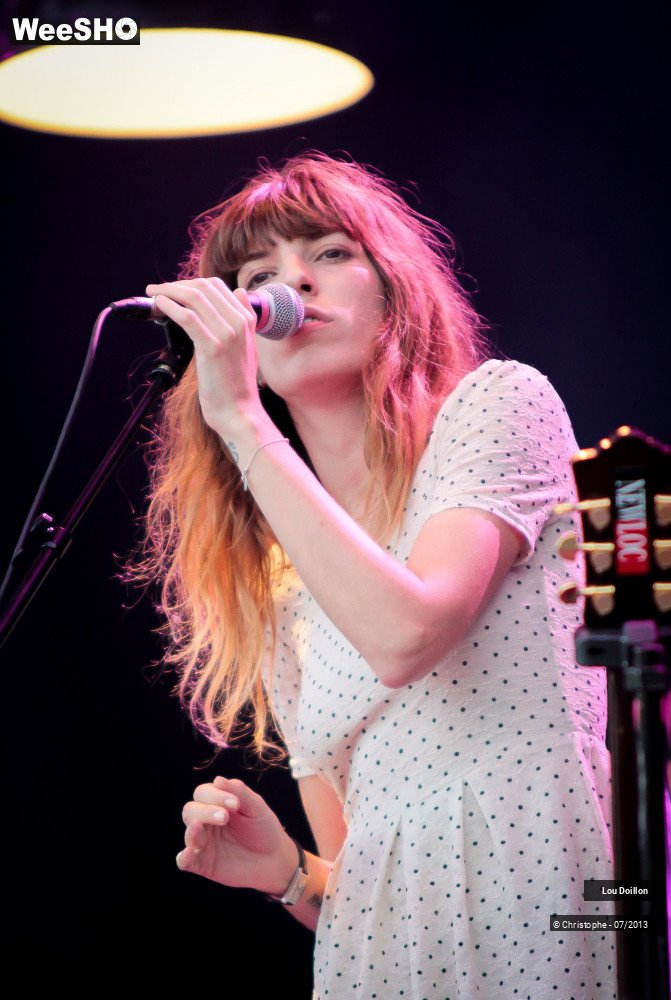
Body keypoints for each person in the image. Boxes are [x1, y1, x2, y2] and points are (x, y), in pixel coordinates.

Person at [133, 152, 617, 998]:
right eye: (257, 276)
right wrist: (288, 874)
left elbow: (405, 633)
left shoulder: (498, 406)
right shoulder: (286, 586)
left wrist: (241, 421)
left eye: (328, 253)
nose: (292, 284)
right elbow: (363, 882)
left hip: (563, 912)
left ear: (394, 290)